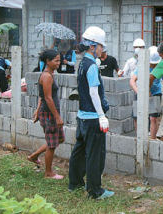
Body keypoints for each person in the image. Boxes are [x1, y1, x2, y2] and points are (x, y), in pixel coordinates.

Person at [68, 26, 114, 199]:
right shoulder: (92, 66)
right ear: (93, 46)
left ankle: (75, 183)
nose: (103, 49)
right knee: (95, 155)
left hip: (82, 116)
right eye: (101, 46)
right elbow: (94, 92)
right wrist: (102, 115)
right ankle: (95, 191)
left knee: (79, 151)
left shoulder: (82, 63)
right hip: (93, 118)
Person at [27, 49, 64, 179]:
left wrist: (37, 111)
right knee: (52, 144)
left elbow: (41, 97)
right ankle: (48, 173)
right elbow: (47, 98)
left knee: (59, 139)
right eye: (56, 60)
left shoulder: (49, 74)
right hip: (50, 114)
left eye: (59, 60)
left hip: (49, 112)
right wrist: (57, 117)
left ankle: (34, 156)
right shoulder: (47, 76)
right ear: (48, 61)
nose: (59, 63)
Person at [129, 46, 162, 139]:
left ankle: (152, 139)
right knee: (136, 116)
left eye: (155, 64)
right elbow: (132, 81)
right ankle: (139, 138)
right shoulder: (142, 66)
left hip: (155, 93)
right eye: (152, 63)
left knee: (153, 118)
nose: (153, 65)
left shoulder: (160, 67)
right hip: (140, 92)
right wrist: (139, 93)